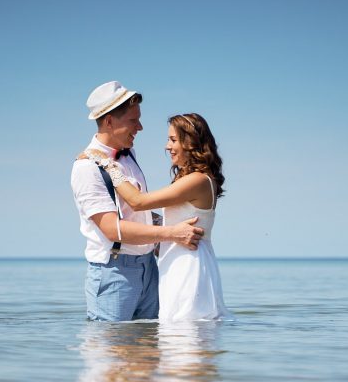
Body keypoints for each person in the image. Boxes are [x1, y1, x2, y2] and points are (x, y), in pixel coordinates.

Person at [71, 81, 205, 322]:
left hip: (149, 268)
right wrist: (172, 233)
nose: (140, 127)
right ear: (109, 121)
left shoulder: (129, 154)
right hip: (115, 273)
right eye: (133, 120)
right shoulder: (86, 168)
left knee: (149, 354)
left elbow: (136, 213)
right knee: (111, 355)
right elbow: (112, 229)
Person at [84, 112, 232, 322]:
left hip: (188, 264)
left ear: (191, 143)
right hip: (177, 260)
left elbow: (138, 202)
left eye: (173, 140)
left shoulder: (198, 180)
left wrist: (106, 164)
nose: (167, 146)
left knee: (186, 333)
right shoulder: (192, 179)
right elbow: (155, 214)